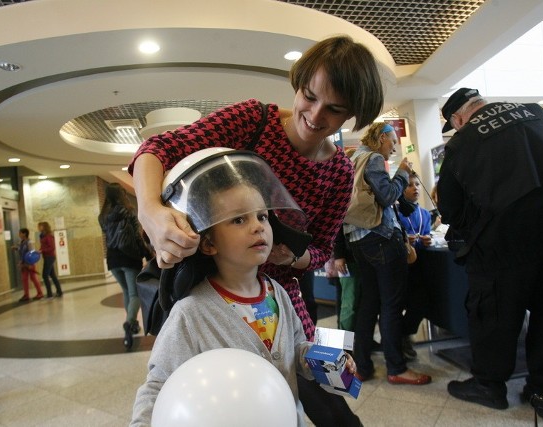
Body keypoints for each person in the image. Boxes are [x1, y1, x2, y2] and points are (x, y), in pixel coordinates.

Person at [129, 35, 383, 426]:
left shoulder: (339, 172)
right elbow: (159, 148)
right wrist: (150, 211)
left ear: (353, 114)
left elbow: (322, 249)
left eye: (334, 109)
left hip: (282, 300)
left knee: (326, 407)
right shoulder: (253, 121)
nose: (315, 116)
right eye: (308, 96)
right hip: (220, 293)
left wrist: (293, 257)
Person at [130, 149, 356, 426]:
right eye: (239, 219)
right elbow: (159, 384)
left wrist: (323, 359)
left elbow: (296, 349)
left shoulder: (278, 294)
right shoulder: (190, 313)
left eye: (262, 216)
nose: (258, 227)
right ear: (209, 243)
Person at [438, 87, 543, 420]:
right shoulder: (536, 112)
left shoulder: (461, 142)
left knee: (493, 308)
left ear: (457, 118)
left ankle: (489, 385)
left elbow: (449, 204)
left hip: (509, 230)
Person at [346, 122, 431, 386]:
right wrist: (403, 174)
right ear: (382, 138)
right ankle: (396, 367)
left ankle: (362, 366)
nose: (394, 147)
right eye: (393, 141)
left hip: (359, 240)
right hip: (382, 238)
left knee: (368, 304)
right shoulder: (373, 159)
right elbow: (387, 196)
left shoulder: (352, 159)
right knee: (392, 306)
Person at [98, 182, 147, 349]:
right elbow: (137, 235)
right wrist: (147, 253)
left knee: (126, 291)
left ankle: (131, 324)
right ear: (121, 195)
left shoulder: (103, 216)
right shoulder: (128, 212)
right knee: (135, 294)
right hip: (129, 257)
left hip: (112, 259)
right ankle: (129, 322)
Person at [398, 173, 433, 360]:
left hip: (419, 263)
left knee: (420, 302)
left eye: (417, 184)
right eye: (410, 185)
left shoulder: (425, 213)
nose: (415, 188)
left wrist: (427, 239)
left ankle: (404, 333)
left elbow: (426, 234)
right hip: (401, 265)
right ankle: (396, 339)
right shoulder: (396, 212)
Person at [14, 228, 44, 302]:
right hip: (23, 264)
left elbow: (32, 253)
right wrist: (17, 249)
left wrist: (31, 264)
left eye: (20, 233)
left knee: (33, 278)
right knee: (24, 279)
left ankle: (40, 293)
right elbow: (22, 251)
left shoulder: (29, 242)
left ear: (24, 234)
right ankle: (26, 295)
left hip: (29, 263)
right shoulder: (21, 242)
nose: (19, 234)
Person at [38, 221, 63, 298]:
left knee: (45, 275)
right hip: (46, 257)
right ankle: (59, 291)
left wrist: (42, 250)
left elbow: (52, 247)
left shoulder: (48, 236)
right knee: (53, 275)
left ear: (44, 227)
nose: (38, 228)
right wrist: (40, 250)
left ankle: (49, 294)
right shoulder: (42, 236)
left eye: (40, 226)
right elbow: (44, 246)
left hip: (50, 257)